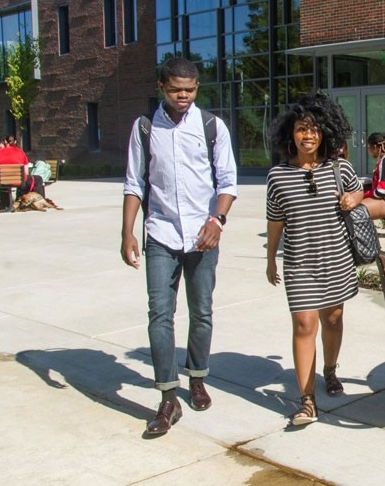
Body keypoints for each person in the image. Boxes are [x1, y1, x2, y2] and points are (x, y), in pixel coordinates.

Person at [120, 57, 238, 436]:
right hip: (161, 234)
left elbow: (228, 182)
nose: (182, 96)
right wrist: (127, 232)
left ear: (197, 88)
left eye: (189, 89)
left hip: (204, 237)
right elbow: (134, 184)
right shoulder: (144, 129)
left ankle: (197, 376)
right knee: (160, 314)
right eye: (175, 90)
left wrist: (217, 221)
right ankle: (168, 396)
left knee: (201, 312)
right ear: (161, 87)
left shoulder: (211, 127)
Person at [265, 91, 364, 426]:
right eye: (301, 128)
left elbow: (360, 191)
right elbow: (275, 221)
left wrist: (354, 197)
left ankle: (330, 371)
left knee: (333, 319)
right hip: (299, 263)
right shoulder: (277, 176)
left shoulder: (340, 168)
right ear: (289, 134)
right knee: (304, 324)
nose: (308, 135)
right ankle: (307, 401)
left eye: (314, 128)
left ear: (326, 132)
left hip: (336, 259)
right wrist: (270, 259)